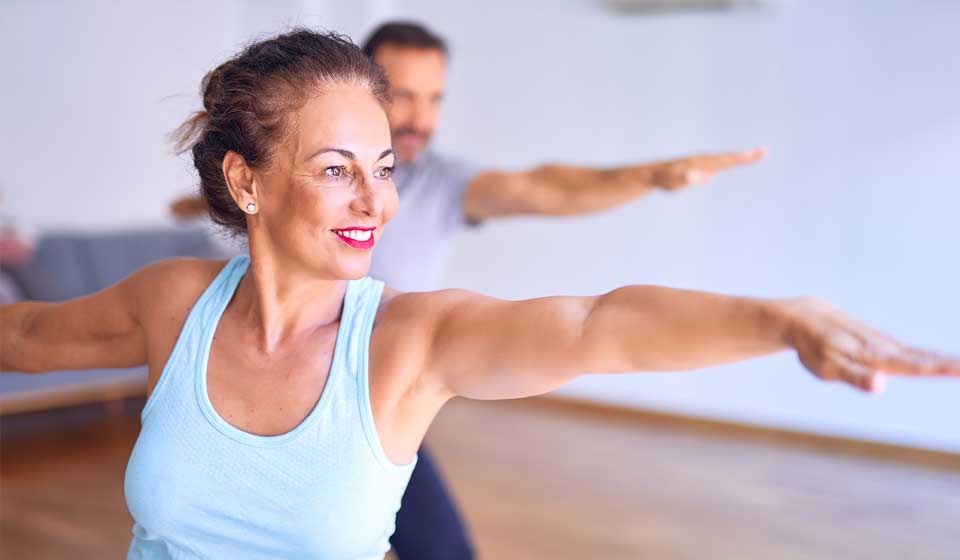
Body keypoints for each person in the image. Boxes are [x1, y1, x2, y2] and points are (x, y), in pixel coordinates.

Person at [8, 29, 956, 560]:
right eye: (337, 169)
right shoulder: (174, 303)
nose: (376, 199)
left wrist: (779, 320)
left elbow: (599, 327)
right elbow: (26, 334)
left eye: (380, 167)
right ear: (246, 182)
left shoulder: (410, 341)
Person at [168, 21, 769, 558]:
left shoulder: (442, 184)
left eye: (434, 99)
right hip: (270, 374)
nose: (420, 117)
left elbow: (547, 188)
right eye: (402, 95)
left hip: (376, 397)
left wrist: (650, 177)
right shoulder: (270, 195)